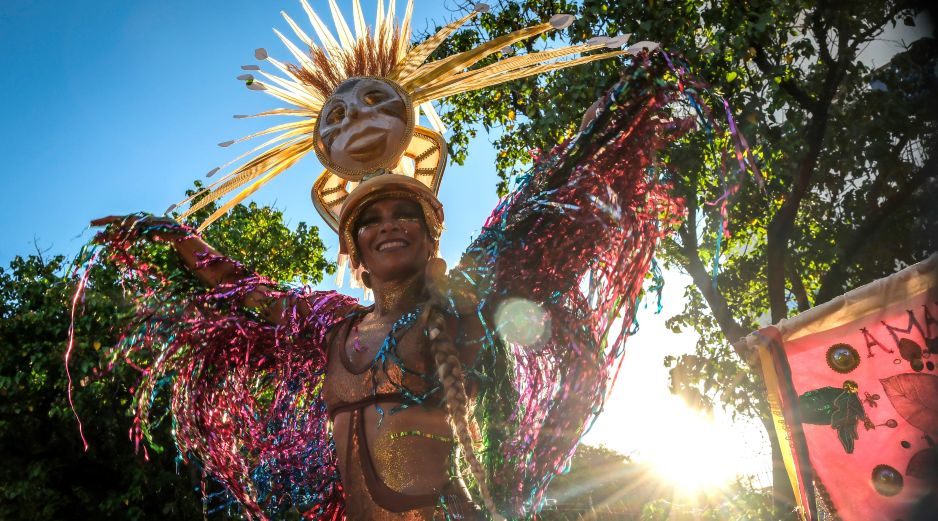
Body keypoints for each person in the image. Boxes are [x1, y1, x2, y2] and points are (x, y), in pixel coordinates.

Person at [75, 2, 708, 520]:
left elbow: (547, 208)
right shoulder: (331, 329)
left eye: (402, 214)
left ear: (430, 233)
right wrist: (169, 233)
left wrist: (631, 109)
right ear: (353, 249)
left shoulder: (462, 298)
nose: (387, 227)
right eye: (369, 221)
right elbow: (239, 287)